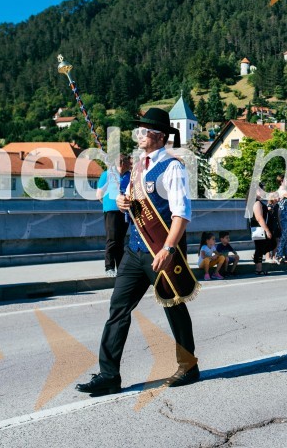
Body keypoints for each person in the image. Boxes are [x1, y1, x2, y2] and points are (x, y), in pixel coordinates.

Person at [77, 108, 199, 396]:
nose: (139, 135)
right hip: (134, 249)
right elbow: (130, 198)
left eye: (143, 131)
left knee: (174, 307)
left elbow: (182, 214)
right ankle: (109, 374)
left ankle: (188, 365)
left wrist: (169, 248)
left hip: (161, 250)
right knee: (118, 309)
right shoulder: (136, 166)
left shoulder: (172, 167)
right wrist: (121, 200)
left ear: (157, 136)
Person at [97, 154, 132, 277]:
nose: (131, 164)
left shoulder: (129, 176)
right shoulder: (107, 174)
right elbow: (99, 194)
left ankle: (120, 266)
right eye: (129, 162)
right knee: (112, 239)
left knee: (120, 240)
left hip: (125, 211)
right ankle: (109, 267)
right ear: (122, 163)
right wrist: (108, 204)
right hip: (111, 211)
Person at [251, 188, 277, 276]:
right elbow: (259, 218)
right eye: (260, 190)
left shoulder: (257, 202)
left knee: (262, 248)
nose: (262, 191)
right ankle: (258, 269)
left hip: (259, 229)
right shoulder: (257, 203)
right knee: (268, 245)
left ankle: (258, 267)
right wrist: (267, 230)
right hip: (260, 229)